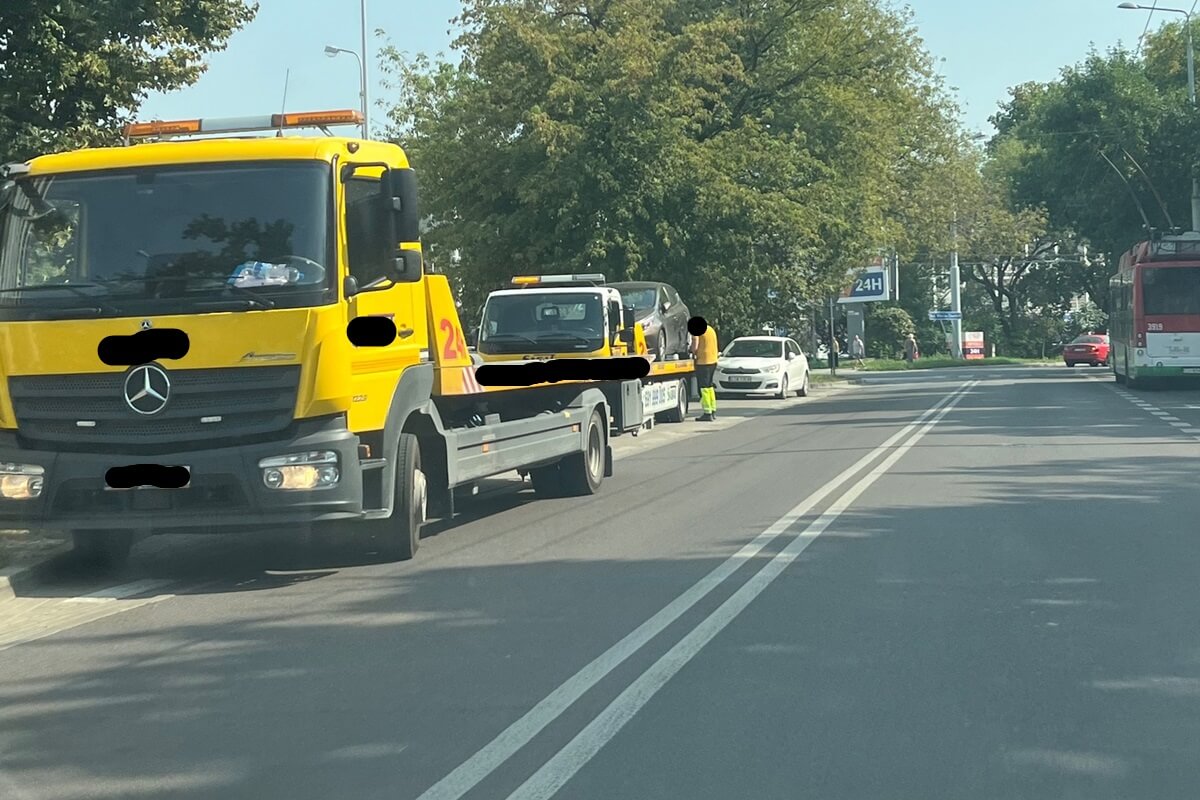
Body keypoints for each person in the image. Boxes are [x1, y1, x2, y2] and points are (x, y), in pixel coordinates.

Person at [689, 316, 719, 421]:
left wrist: (691, 351)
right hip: (713, 361)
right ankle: (713, 410)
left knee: (704, 388)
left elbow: (695, 346)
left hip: (703, 362)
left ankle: (707, 413)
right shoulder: (711, 330)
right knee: (710, 387)